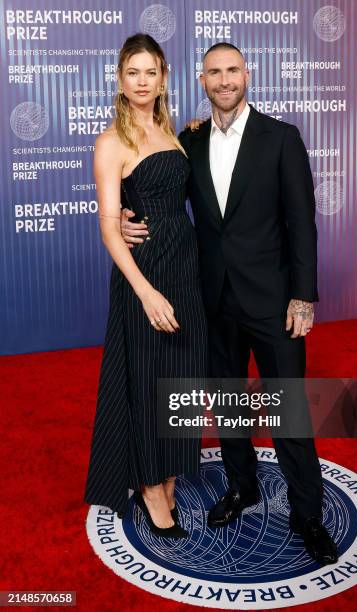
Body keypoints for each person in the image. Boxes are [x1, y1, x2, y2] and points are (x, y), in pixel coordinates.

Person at [121, 42, 338, 565]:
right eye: (214, 72)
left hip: (272, 301)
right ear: (200, 79)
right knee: (232, 405)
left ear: (248, 73)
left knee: (288, 410)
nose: (223, 80)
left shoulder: (281, 139)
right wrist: (125, 221)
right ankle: (243, 487)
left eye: (232, 70)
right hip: (211, 299)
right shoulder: (187, 142)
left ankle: (307, 512)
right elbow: (158, 194)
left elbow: (300, 223)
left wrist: (303, 296)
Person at [84, 33, 207, 539]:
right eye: (132, 72)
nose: (141, 81)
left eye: (150, 72)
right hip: (147, 276)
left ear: (163, 79)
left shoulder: (171, 128)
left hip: (186, 268)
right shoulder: (111, 141)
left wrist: (194, 131)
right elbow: (111, 228)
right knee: (149, 383)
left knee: (181, 379)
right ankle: (153, 489)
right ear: (120, 79)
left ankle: (171, 471)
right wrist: (145, 292)